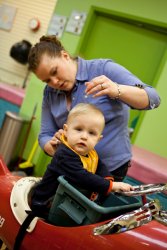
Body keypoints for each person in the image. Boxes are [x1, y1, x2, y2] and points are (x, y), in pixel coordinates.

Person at [28, 35, 161, 181]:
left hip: (110, 170)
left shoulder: (103, 69)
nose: (54, 81)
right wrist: (53, 147)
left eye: (54, 72)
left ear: (65, 56)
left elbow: (153, 98)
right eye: (47, 80)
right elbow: (45, 134)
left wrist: (116, 89)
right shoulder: (50, 92)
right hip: (72, 167)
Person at [31, 103, 134, 216]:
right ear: (66, 130)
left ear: (98, 139)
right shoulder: (64, 155)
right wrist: (111, 186)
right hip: (45, 203)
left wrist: (108, 178)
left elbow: (100, 166)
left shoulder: (91, 153)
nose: (84, 136)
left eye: (91, 133)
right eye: (79, 129)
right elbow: (82, 177)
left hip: (67, 201)